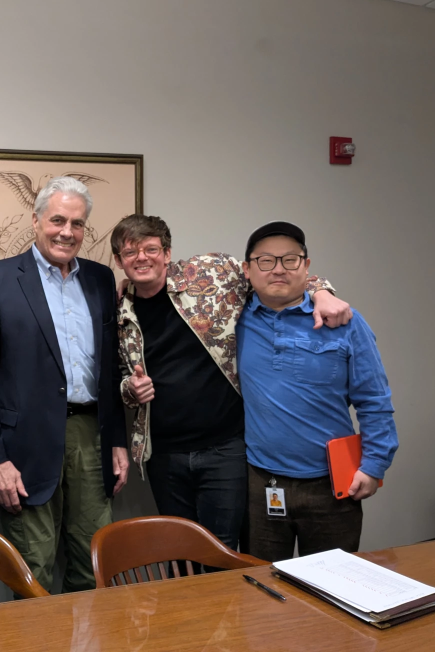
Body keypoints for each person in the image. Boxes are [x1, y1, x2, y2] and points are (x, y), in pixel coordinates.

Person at [111, 215, 351, 552]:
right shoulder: (118, 309)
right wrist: (130, 390)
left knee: (223, 549)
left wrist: (320, 290)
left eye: (151, 248)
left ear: (167, 253)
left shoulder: (211, 273)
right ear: (119, 261)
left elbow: (276, 274)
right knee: (180, 548)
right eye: (130, 252)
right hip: (163, 453)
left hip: (224, 447)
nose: (142, 258)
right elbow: (119, 372)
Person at [0, 176, 129, 594]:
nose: (67, 232)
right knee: (33, 565)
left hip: (90, 435)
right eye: (58, 220)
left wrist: (116, 441)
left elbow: (109, 370)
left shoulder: (99, 279)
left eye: (77, 224)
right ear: (36, 220)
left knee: (94, 559)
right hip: (24, 445)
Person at [237, 221, 397, 561]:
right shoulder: (232, 322)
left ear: (307, 267)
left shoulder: (346, 322)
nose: (278, 268)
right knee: (262, 593)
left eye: (290, 259)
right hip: (261, 485)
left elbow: (374, 401)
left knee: (333, 590)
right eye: (265, 260)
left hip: (333, 486)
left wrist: (374, 465)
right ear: (247, 270)